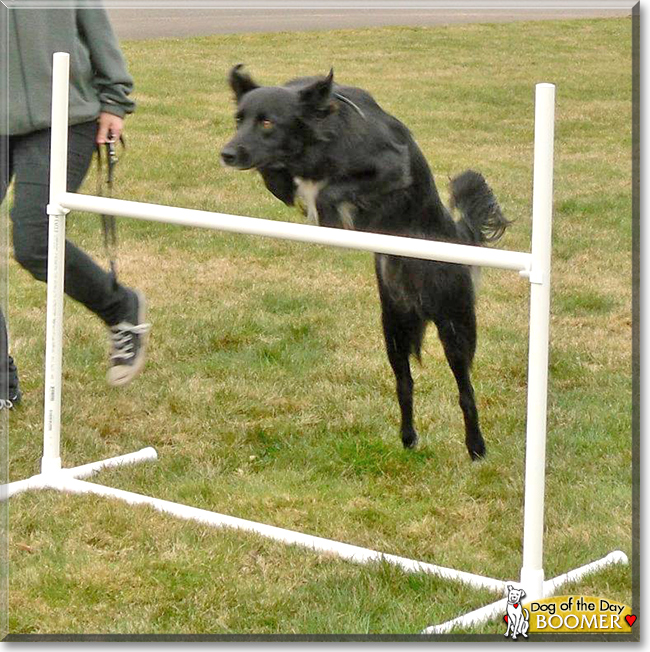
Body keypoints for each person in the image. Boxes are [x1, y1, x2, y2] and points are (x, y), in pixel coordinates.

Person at [0, 3, 150, 403]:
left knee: (34, 242)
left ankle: (120, 308)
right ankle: (1, 385)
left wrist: (114, 100)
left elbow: (93, 25)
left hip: (65, 118)